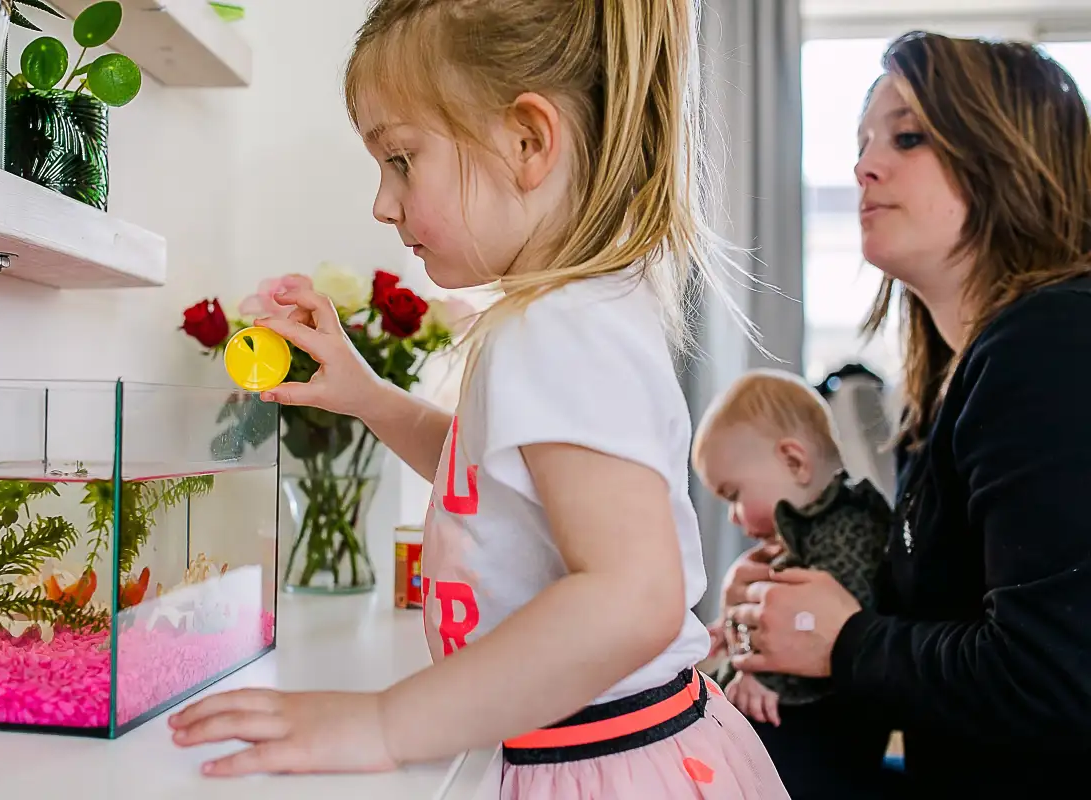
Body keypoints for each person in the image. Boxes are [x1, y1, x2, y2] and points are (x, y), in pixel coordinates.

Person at [166, 1, 790, 797]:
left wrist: (384, 723)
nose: (382, 202)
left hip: (606, 759)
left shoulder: (557, 327)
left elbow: (636, 596)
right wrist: (371, 398)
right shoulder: (565, 313)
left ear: (527, 142)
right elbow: (497, 482)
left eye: (401, 158)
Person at [719, 30, 1091, 796]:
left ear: (1005, 156)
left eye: (908, 137)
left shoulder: (1046, 349)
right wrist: (790, 599)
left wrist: (843, 639)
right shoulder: (955, 380)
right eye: (862, 143)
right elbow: (951, 619)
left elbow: (1053, 677)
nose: (864, 166)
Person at [692, 369, 892, 798]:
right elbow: (777, 613)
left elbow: (830, 629)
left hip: (825, 733)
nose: (733, 515)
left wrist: (769, 678)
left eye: (734, 494)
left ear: (794, 462)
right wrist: (734, 629)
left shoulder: (849, 525)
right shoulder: (801, 534)